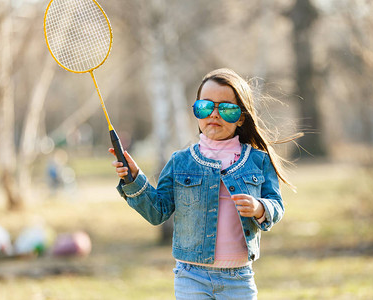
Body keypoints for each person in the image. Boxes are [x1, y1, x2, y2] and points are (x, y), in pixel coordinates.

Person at [110, 68, 293, 299]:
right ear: (196, 111)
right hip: (191, 277)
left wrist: (260, 208)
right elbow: (158, 211)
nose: (214, 115)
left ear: (241, 118)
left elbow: (276, 204)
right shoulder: (181, 162)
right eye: (205, 107)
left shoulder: (258, 160)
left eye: (226, 109)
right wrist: (134, 179)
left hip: (239, 278)